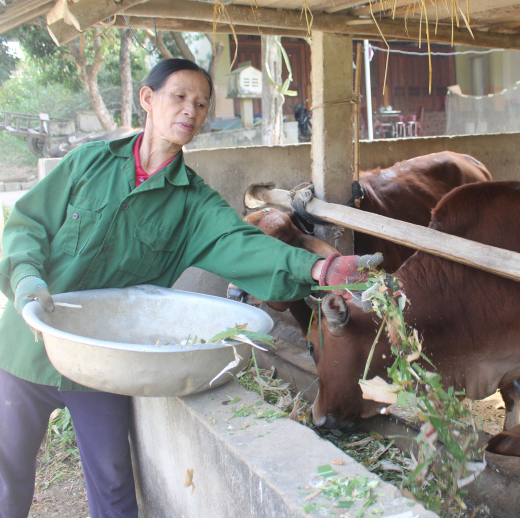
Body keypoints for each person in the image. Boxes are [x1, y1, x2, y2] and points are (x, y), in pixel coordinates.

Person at [0, 59, 380, 518]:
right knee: (6, 476)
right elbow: (28, 224)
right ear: (147, 99)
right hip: (26, 345)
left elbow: (243, 245)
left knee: (114, 484)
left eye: (201, 103)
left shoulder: (194, 203)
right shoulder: (88, 163)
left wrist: (320, 268)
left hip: (105, 360)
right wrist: (26, 279)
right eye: (179, 96)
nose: (190, 110)